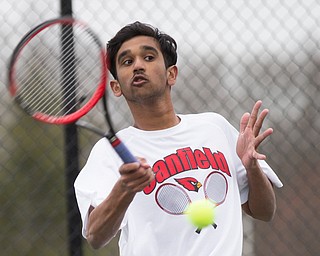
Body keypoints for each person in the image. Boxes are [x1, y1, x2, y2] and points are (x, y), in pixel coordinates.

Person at [74, 21, 283, 256]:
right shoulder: (107, 152)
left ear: (171, 74)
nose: (138, 66)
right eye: (127, 61)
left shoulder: (215, 128)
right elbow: (95, 235)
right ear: (116, 86)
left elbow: (265, 211)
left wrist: (252, 167)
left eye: (149, 57)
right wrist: (125, 187)